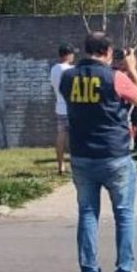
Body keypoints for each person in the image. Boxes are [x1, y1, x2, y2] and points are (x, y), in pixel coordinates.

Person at [60, 32, 137, 272]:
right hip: (114, 155)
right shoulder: (116, 77)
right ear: (109, 52)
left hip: (81, 154)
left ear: (85, 50)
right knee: (124, 215)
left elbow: (92, 88)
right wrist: (132, 69)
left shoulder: (67, 77)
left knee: (87, 214)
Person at [50, 43, 76, 176]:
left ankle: (61, 165)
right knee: (75, 137)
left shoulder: (54, 69)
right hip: (71, 107)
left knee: (61, 136)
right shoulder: (70, 70)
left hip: (59, 106)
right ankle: (75, 164)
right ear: (69, 54)